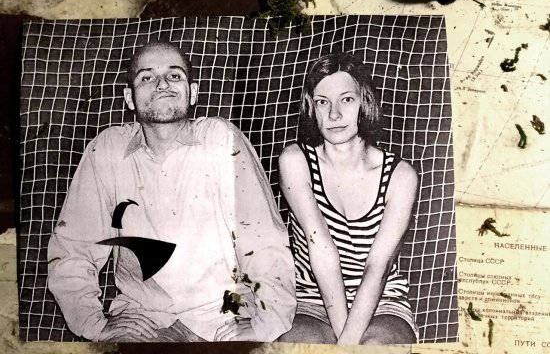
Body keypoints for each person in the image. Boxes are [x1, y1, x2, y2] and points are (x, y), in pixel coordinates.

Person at [47, 40, 296, 343]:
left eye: (174, 75)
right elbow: (74, 249)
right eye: (147, 77)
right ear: (129, 97)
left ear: (193, 92)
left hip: (227, 312)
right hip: (145, 319)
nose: (162, 84)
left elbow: (263, 240)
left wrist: (268, 322)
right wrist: (94, 324)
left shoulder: (221, 139)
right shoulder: (108, 149)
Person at [277, 52, 419, 345]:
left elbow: (378, 267)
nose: (334, 114)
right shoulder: (295, 160)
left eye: (346, 99)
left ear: (365, 102)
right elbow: (322, 252)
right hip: (310, 300)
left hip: (381, 303)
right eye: (322, 102)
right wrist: (345, 344)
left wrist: (348, 343)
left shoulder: (400, 176)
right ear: (311, 108)